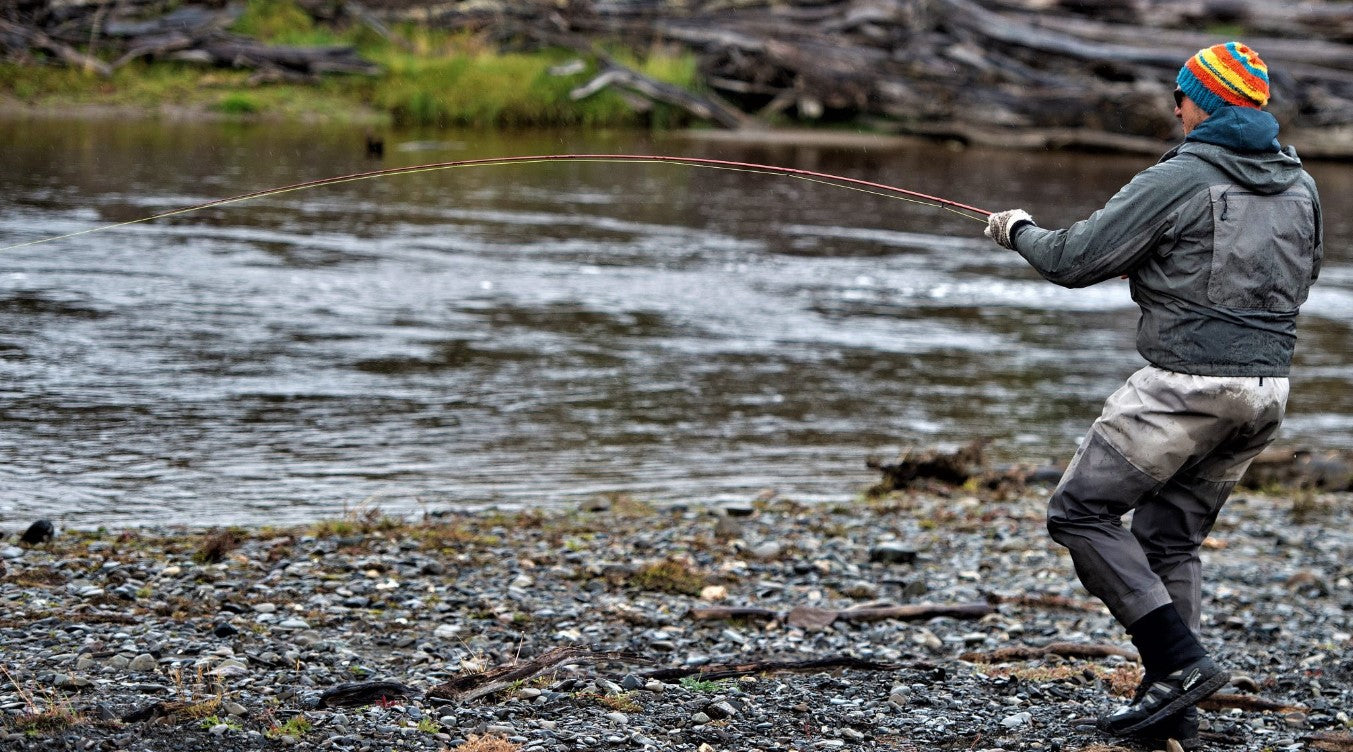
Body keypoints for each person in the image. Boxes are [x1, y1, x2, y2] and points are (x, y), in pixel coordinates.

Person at [983, 42, 1323, 748]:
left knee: (1079, 512)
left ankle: (1178, 663)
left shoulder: (1181, 174)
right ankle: (1173, 714)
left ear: (1202, 103)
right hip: (1267, 391)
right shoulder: (1300, 185)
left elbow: (1074, 261)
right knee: (1170, 541)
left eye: (1180, 94)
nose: (1174, 107)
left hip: (1186, 388)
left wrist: (1016, 230)